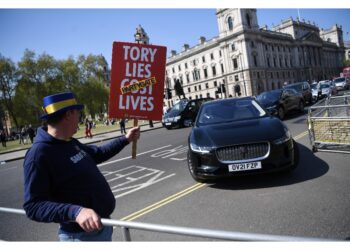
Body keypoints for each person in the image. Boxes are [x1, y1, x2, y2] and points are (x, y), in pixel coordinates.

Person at [23, 92, 140, 241]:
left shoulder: (69, 142)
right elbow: (33, 206)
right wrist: (75, 212)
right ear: (68, 114)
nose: (80, 118)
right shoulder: (39, 154)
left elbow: (98, 153)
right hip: (80, 237)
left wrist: (125, 139)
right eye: (78, 113)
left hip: (101, 228)